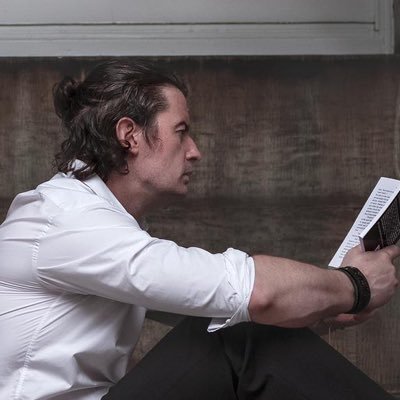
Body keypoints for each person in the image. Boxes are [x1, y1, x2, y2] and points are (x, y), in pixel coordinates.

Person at [0, 60, 398, 400]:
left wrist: (327, 307)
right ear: (129, 135)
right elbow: (253, 291)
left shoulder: (105, 222)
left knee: (240, 325)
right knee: (240, 339)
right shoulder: (68, 221)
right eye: (181, 131)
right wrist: (355, 285)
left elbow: (227, 307)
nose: (195, 151)